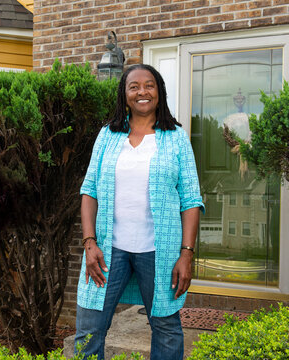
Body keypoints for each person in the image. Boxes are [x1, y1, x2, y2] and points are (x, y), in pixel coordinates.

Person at [74, 64, 204, 360]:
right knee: (89, 328)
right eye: (134, 86)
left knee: (166, 328)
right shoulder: (107, 136)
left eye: (149, 85)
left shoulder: (176, 138)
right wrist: (89, 243)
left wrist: (186, 254)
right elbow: (89, 190)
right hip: (108, 250)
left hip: (159, 252)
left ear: (159, 92)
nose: (142, 92)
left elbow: (191, 200)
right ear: (124, 94)